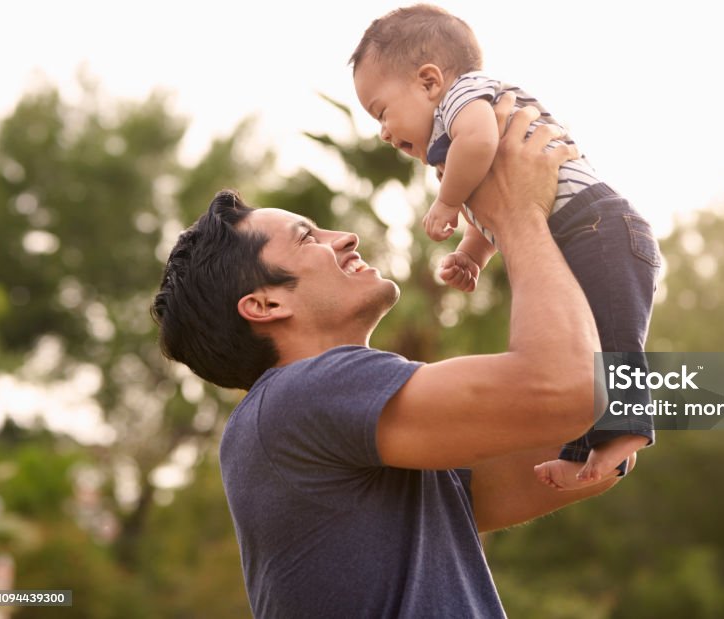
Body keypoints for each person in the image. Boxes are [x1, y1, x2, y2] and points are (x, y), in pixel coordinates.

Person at [150, 99, 633, 618]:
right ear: (266, 304)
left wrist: (718, 388)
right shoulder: (304, 395)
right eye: (308, 237)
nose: (345, 237)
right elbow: (569, 390)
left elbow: (586, 442)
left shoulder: (355, 438)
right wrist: (518, 215)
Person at [350, 3, 661, 489]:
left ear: (430, 81)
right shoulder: (450, 134)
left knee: (613, 339)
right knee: (583, 351)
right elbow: (494, 207)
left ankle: (629, 430)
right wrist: (473, 253)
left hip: (598, 226)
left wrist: (447, 203)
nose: (384, 132)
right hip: (579, 231)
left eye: (382, 112)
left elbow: (480, 143)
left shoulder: (464, 98)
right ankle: (587, 449)